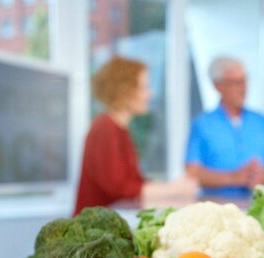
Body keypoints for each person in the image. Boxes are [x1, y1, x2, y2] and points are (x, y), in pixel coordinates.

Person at [75, 57, 194, 215]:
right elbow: (119, 188)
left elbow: (135, 182)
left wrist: (173, 188)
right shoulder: (105, 128)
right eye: (143, 87)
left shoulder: (120, 130)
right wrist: (174, 189)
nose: (149, 94)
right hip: (92, 232)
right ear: (124, 91)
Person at [185, 56, 264, 198]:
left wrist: (263, 176)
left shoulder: (261, 120)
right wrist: (234, 177)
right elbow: (192, 173)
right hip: (216, 207)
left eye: (244, 80)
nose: (243, 88)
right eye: (236, 82)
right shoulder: (201, 124)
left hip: (258, 204)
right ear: (218, 86)